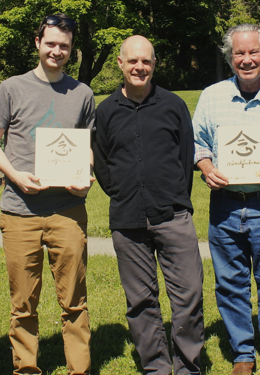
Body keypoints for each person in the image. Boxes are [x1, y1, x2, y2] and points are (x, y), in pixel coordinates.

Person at [192, 23, 260, 375]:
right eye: (238, 53)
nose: (246, 59)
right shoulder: (211, 97)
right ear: (229, 58)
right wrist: (205, 165)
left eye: (253, 52)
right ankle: (242, 352)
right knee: (229, 283)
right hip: (224, 203)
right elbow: (196, 143)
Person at [0, 13, 95, 375]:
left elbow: (87, 145)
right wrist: (15, 175)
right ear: (37, 43)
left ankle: (79, 369)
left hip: (67, 209)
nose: (56, 51)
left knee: (75, 301)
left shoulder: (82, 93)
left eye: (63, 46)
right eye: (50, 44)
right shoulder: (11, 88)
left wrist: (86, 175)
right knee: (23, 303)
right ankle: (26, 369)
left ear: (71, 51)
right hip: (20, 211)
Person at [93, 35, 204, 375]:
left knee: (188, 295)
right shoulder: (106, 111)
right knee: (141, 301)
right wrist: (124, 193)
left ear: (154, 65)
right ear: (120, 63)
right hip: (127, 220)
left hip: (172, 214)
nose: (139, 67)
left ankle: (187, 366)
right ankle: (155, 366)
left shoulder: (173, 105)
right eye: (133, 61)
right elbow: (102, 163)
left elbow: (186, 158)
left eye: (146, 61)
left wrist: (171, 195)